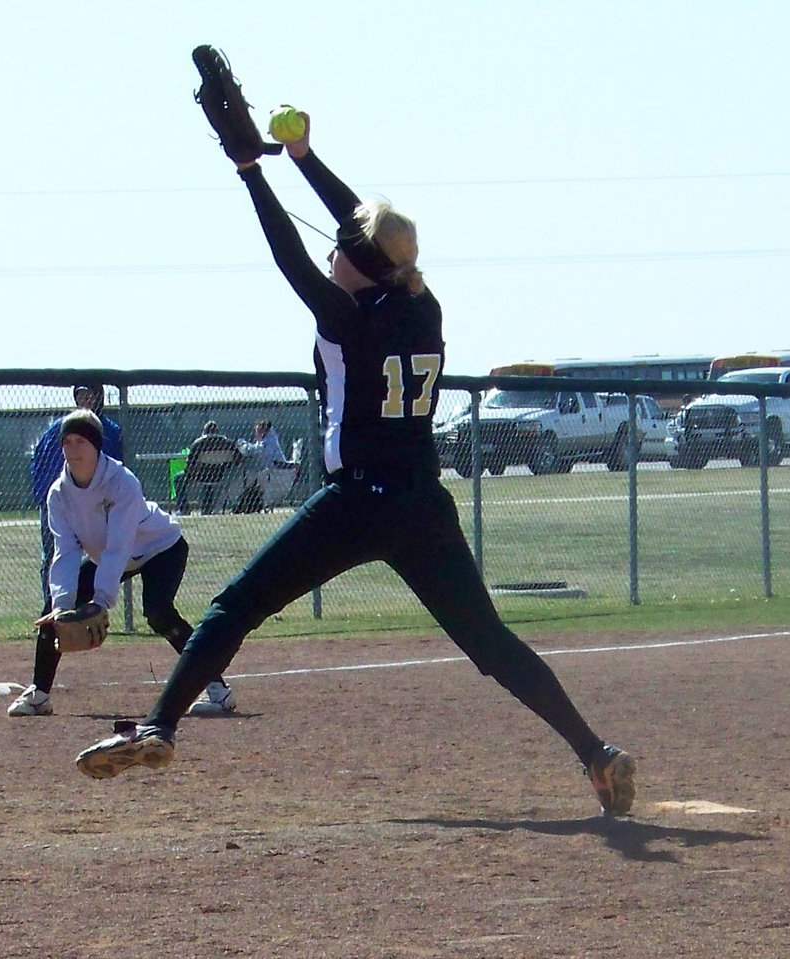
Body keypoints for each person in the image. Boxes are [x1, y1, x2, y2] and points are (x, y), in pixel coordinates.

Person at [74, 113, 636, 816]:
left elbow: (291, 256)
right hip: (422, 505)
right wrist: (304, 157)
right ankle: (594, 752)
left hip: (356, 502)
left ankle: (160, 723)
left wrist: (253, 172)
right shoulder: (421, 303)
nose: (335, 251)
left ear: (355, 263)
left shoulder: (347, 317)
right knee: (491, 643)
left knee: (232, 607)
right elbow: (367, 231)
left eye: (344, 249)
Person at [8, 409, 235, 718]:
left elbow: (119, 545)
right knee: (51, 611)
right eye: (67, 442)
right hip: (112, 557)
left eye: (81, 441)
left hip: (160, 548)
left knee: (158, 612)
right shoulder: (58, 495)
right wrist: (63, 605)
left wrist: (100, 601)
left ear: (97, 446)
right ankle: (39, 694)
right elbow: (65, 552)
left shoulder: (121, 482)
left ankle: (218, 691)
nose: (72, 450)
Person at [30, 383, 124, 617]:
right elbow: (38, 462)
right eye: (80, 395)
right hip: (61, 500)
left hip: (98, 503)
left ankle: (94, 607)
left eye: (89, 395)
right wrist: (44, 495)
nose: (85, 399)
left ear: (99, 397)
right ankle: (55, 607)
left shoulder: (107, 430)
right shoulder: (58, 429)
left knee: (105, 554)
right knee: (55, 555)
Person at [178, 421, 240, 515]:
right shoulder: (228, 443)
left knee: (178, 478)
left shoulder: (198, 443)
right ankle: (207, 509)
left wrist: (189, 474)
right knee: (209, 483)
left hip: (200, 475)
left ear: (204, 431)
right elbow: (238, 459)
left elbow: (190, 463)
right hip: (221, 475)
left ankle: (184, 509)